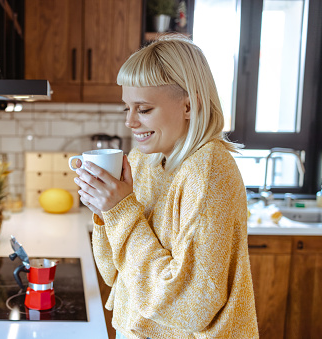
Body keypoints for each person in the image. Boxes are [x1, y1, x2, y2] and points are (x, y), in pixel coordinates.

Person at [74, 34, 259, 339]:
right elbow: (113, 271)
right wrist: (104, 209)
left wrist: (119, 211)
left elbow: (190, 305)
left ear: (190, 105)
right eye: (126, 109)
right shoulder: (144, 160)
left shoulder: (208, 171)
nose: (130, 122)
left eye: (143, 110)